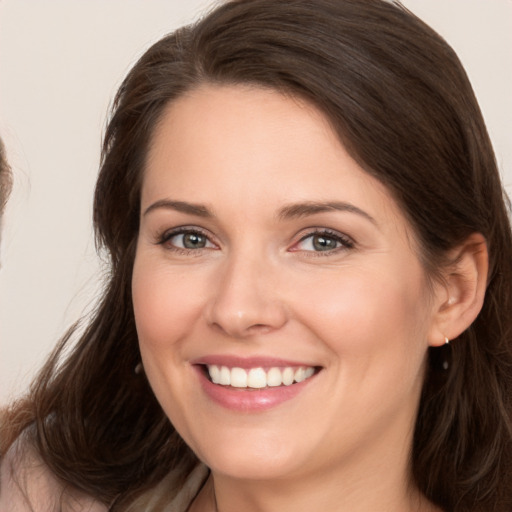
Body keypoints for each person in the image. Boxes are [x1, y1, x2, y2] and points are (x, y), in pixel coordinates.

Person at [1, 0, 511, 510]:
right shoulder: (36, 492)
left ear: (454, 290)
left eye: (322, 241)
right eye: (190, 238)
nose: (237, 309)